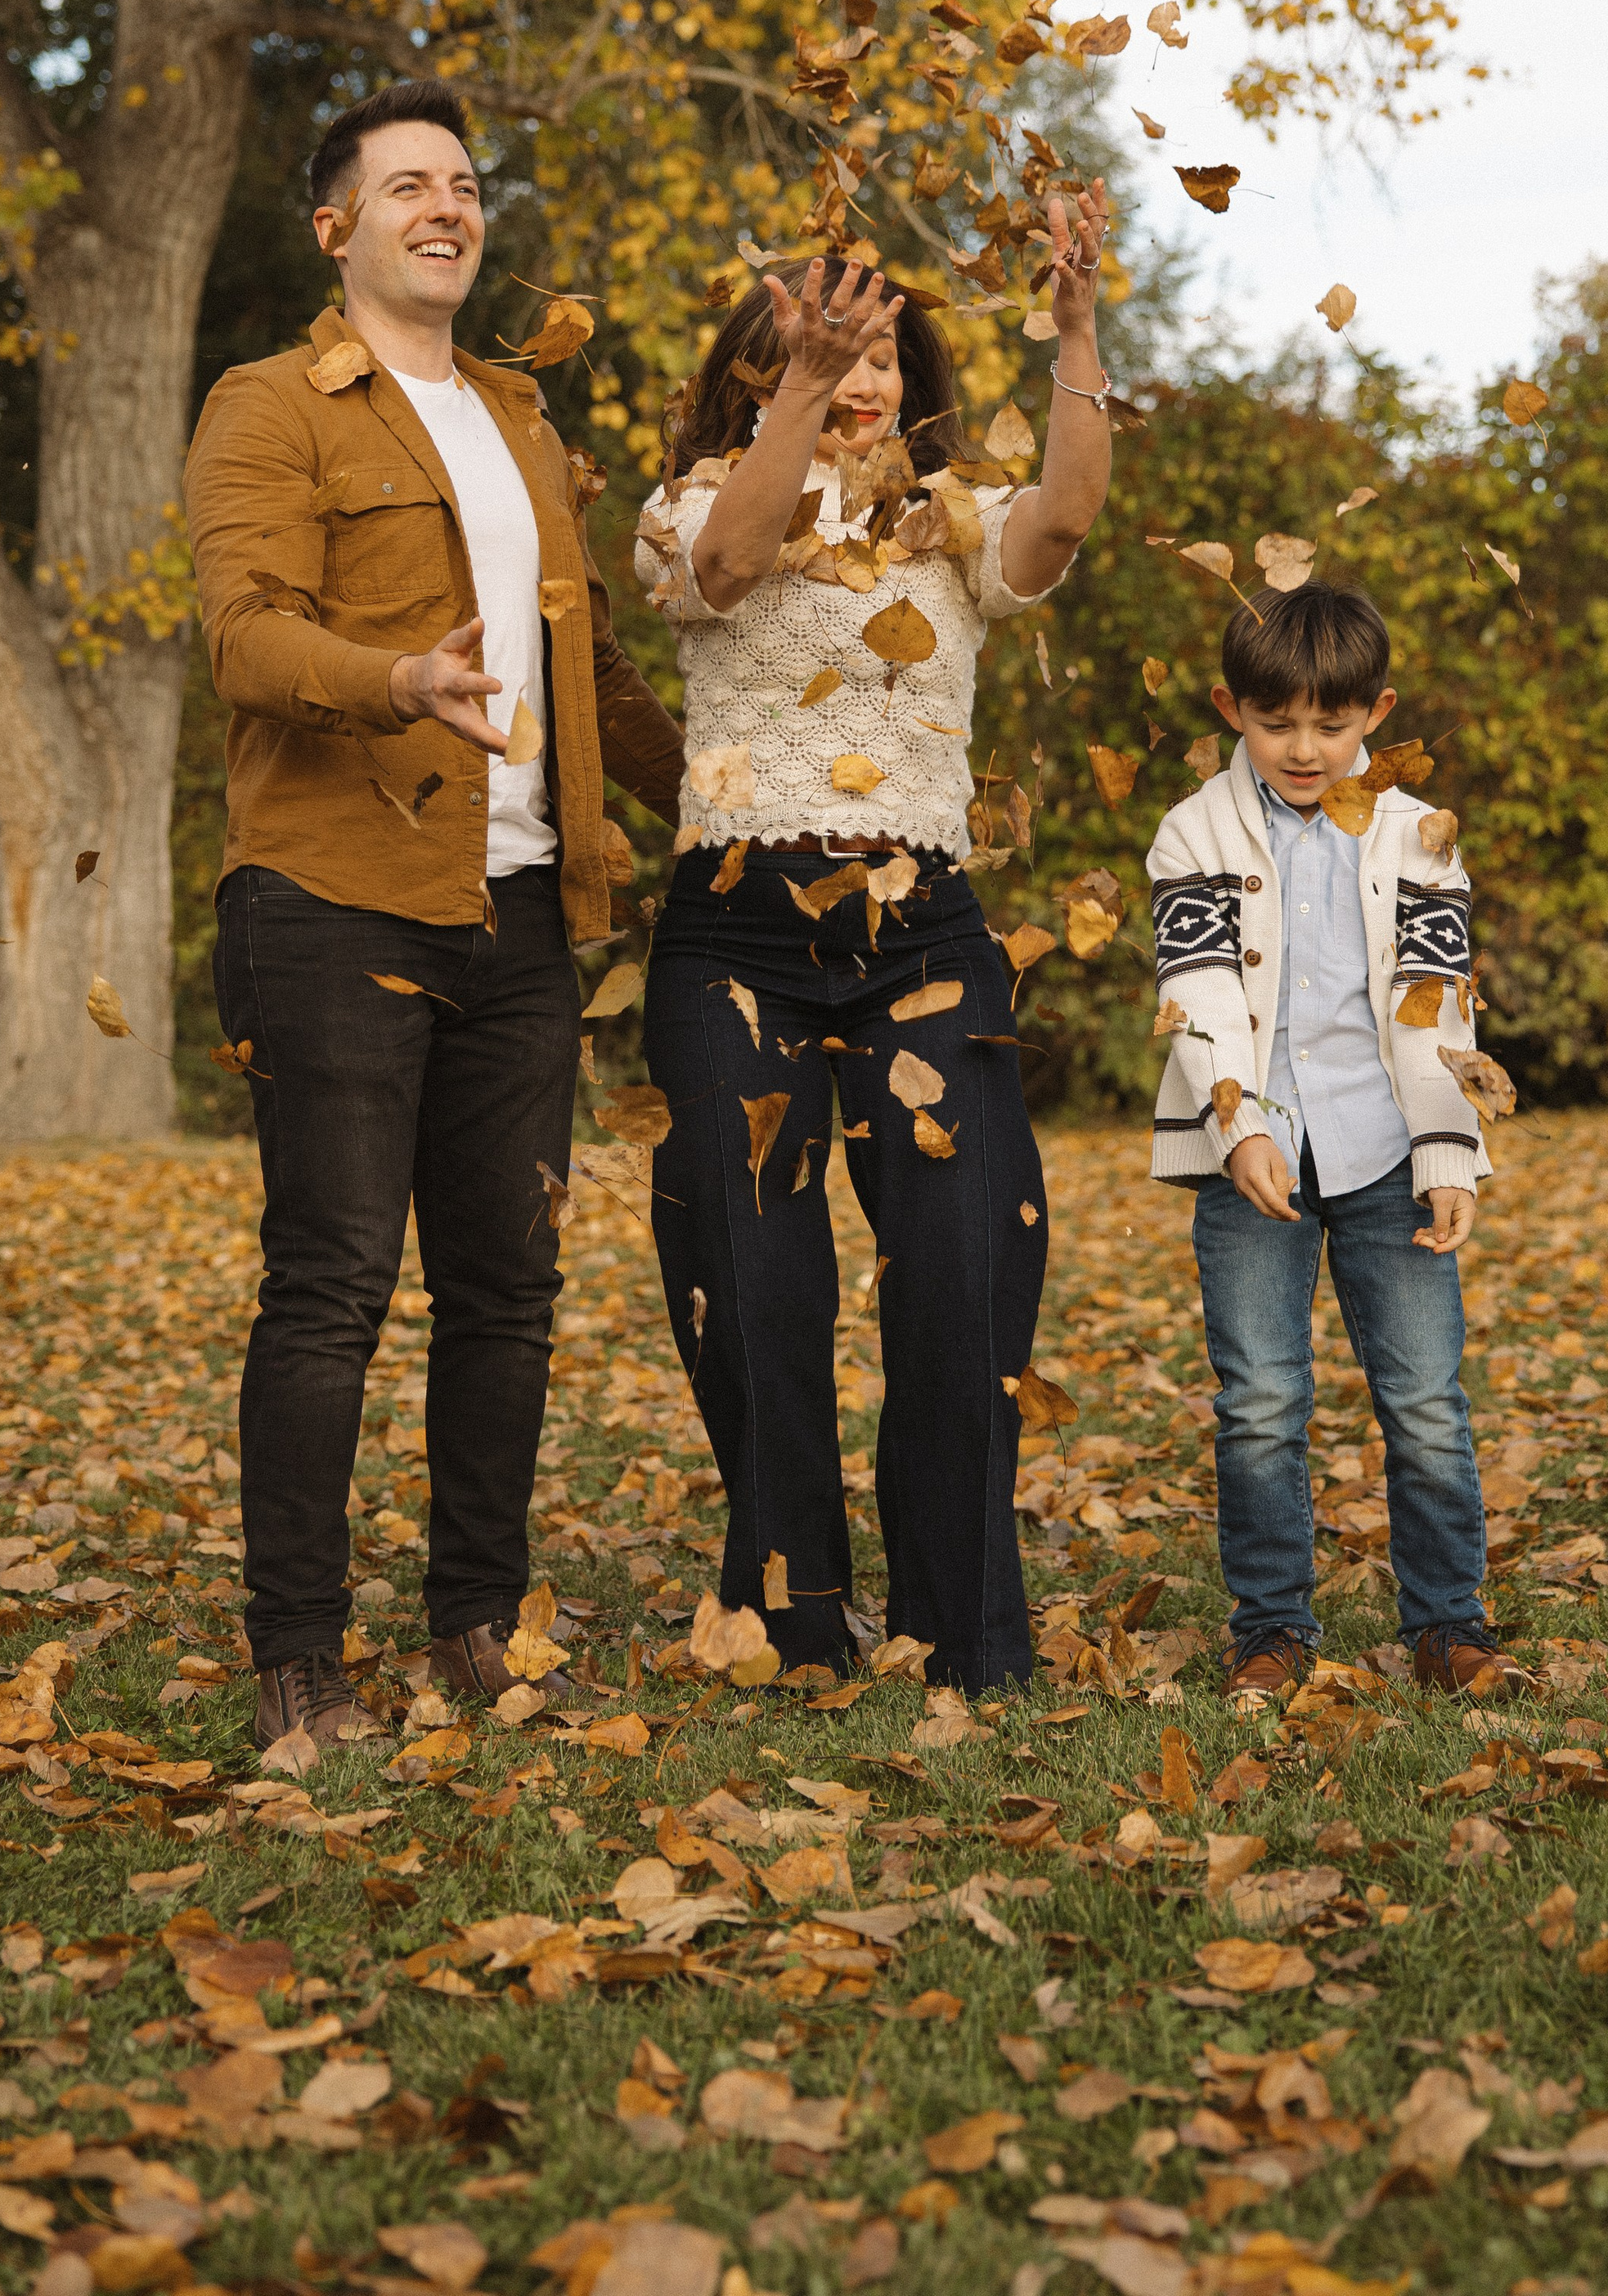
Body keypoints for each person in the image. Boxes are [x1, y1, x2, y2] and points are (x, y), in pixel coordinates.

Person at [183, 78, 685, 1748]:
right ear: (338, 228)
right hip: (336, 896)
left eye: (462, 184)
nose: (444, 207)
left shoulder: (523, 420)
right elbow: (246, 634)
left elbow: (586, 663)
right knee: (330, 1282)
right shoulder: (268, 408)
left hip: (523, 909)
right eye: (406, 186)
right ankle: (299, 1660)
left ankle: (474, 1620)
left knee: (506, 1286)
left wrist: (737, 802)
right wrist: (395, 677)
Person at [633, 201, 1113, 1689]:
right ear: (753, 365)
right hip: (735, 933)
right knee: (755, 1275)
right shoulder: (686, 502)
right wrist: (798, 392)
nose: (862, 368)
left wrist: (1079, 324)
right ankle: (791, 1613)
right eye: (822, 341)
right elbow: (728, 569)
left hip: (924, 929)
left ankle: (961, 1622)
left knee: (966, 1265)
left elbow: (1069, 517)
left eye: (884, 347)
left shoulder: (952, 518)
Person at [1145, 581, 1528, 1702]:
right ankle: (1270, 1630)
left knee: (1422, 1398)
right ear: (1232, 709)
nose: (1303, 747)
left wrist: (1452, 1153)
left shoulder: (1423, 836)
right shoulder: (1194, 834)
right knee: (1261, 1400)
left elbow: (1439, 1000)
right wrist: (1237, 1122)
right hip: (1252, 1162)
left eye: (1331, 722)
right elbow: (1199, 987)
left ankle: (1450, 1621)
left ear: (1377, 710)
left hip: (1390, 1151)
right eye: (1276, 723)